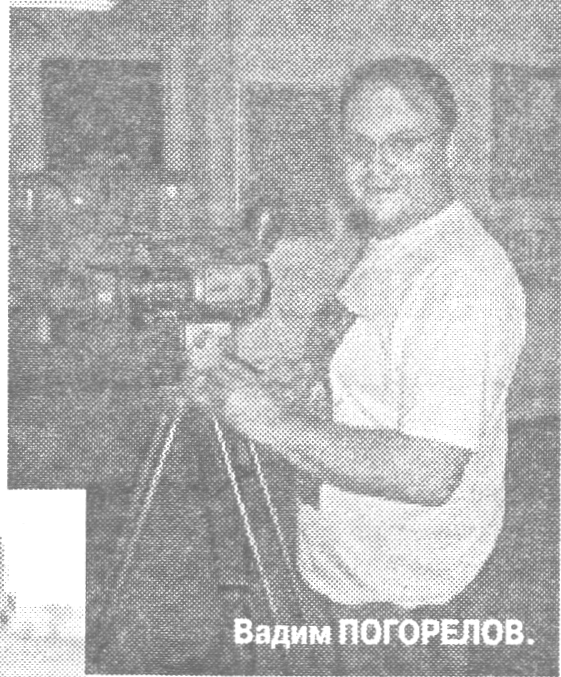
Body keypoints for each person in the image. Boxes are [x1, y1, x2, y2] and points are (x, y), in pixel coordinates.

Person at [193, 56, 527, 674]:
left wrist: (270, 421)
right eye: (357, 146)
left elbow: (429, 471)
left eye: (402, 143)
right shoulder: (393, 245)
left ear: (449, 150)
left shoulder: (461, 278)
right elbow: (372, 389)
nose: (374, 165)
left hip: (409, 604)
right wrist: (294, 389)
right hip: (352, 572)